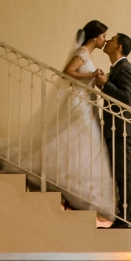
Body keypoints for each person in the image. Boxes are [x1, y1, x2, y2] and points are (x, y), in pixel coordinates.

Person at [40, 19, 115, 216]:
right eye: (103, 36)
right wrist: (91, 75)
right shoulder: (82, 52)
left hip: (87, 104)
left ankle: (76, 191)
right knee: (80, 142)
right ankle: (68, 185)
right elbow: (67, 73)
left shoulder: (88, 54)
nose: (105, 40)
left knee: (85, 145)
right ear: (95, 37)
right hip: (79, 103)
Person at [96, 33, 131, 231]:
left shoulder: (125, 68)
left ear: (119, 46)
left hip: (121, 130)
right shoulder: (117, 69)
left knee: (123, 175)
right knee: (119, 175)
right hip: (114, 129)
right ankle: (128, 219)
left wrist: (105, 84)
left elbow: (126, 97)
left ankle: (127, 220)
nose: (107, 41)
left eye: (112, 40)